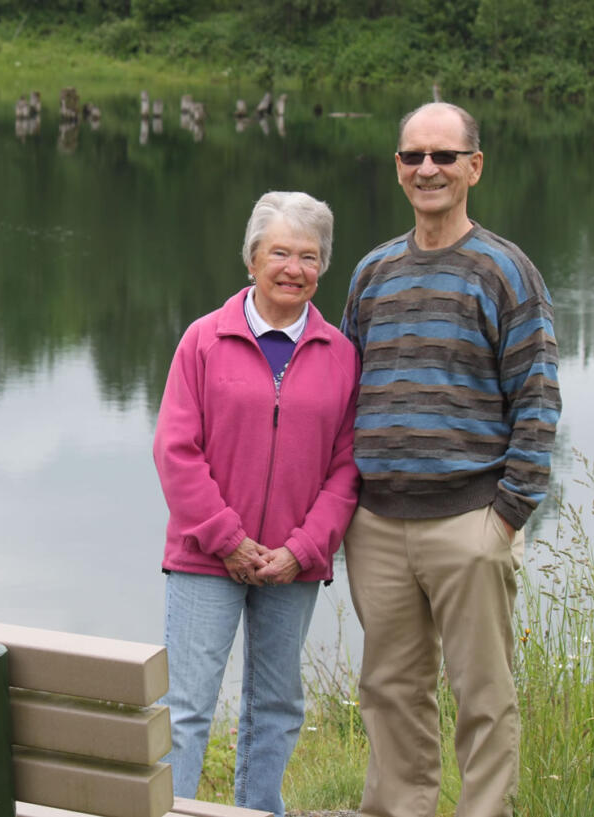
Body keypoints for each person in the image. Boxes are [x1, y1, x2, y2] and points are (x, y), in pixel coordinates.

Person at [339, 102, 561, 817]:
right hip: (376, 525)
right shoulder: (372, 273)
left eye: (442, 155)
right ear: (397, 167)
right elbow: (344, 397)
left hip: (470, 520)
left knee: (483, 696)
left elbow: (537, 400)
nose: (427, 169)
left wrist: (507, 515)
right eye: (412, 156)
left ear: (474, 165)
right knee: (390, 692)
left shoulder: (506, 270)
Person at [153, 191, 361, 816]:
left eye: (308, 255)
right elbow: (174, 449)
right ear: (251, 259)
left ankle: (257, 811)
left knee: (276, 705)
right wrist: (226, 537)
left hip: (292, 566)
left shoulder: (342, 355)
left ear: (322, 266)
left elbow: (348, 468)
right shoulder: (203, 340)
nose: (293, 268)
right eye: (279, 252)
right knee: (187, 706)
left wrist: (302, 550)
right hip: (205, 558)